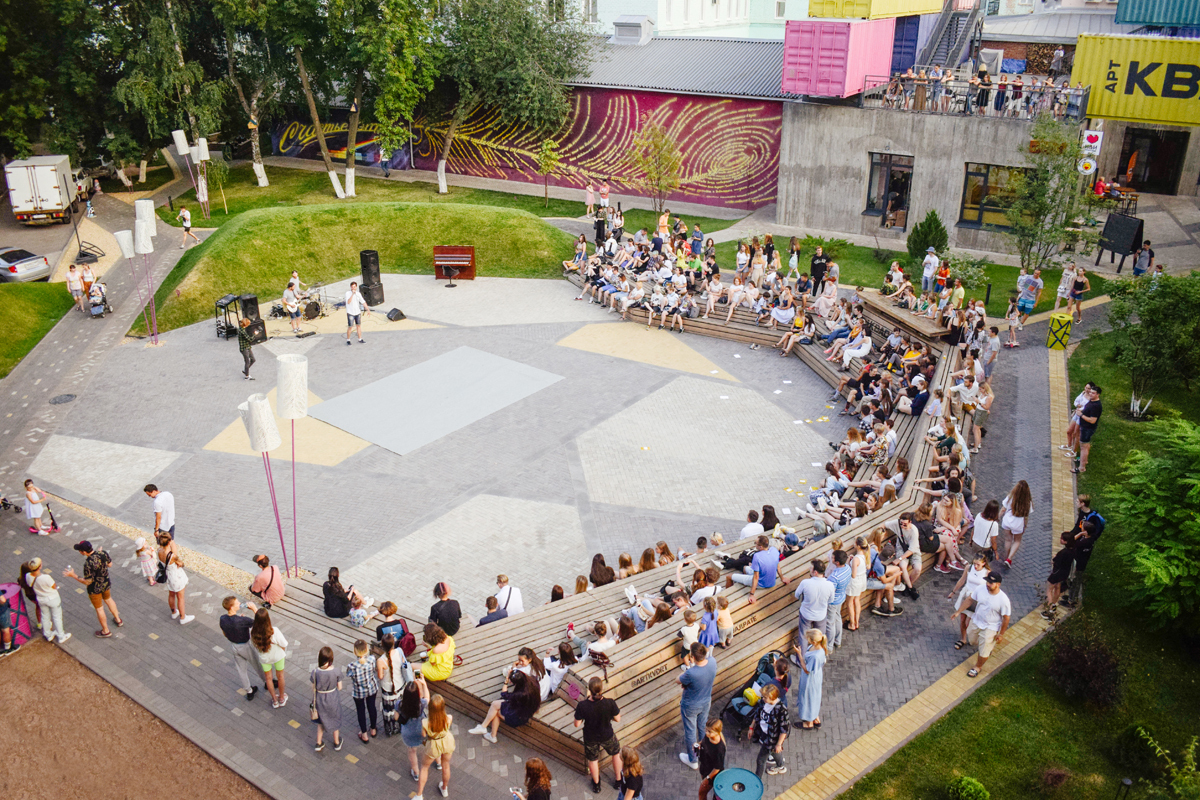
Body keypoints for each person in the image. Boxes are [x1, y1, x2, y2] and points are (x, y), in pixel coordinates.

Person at [951, 570, 1011, 678]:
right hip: (976, 621)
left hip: (991, 627)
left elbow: (1006, 618)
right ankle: (987, 648)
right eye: (987, 582)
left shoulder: (1003, 600)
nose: (988, 584)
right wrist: (958, 611)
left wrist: (1001, 634)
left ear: (998, 584)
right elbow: (969, 600)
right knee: (973, 641)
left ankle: (978, 666)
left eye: (991, 583)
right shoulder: (980, 589)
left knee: (984, 650)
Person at [63, 540, 122, 638]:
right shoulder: (102, 553)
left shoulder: (88, 563)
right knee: (109, 599)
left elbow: (87, 581)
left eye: (80, 550)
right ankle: (118, 620)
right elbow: (110, 564)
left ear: (84, 552)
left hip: (95, 589)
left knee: (99, 609)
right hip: (106, 583)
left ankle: (106, 631)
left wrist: (73, 575)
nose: (79, 552)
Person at [574, 676, 623, 794]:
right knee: (616, 754)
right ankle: (618, 781)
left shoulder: (582, 705)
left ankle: (596, 785)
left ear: (589, 690)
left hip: (590, 737)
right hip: (607, 734)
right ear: (602, 689)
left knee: (593, 760)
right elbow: (618, 719)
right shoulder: (609, 703)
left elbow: (577, 724)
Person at [469, 668, 541, 743]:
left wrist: (506, 682)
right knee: (495, 706)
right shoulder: (533, 681)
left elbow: (504, 694)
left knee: (495, 709)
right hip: (525, 709)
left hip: (519, 717)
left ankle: (487, 731)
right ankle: (487, 731)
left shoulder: (520, 694)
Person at [678, 642, 717, 771]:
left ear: (692, 657)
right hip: (706, 701)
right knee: (703, 727)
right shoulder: (712, 662)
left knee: (690, 732)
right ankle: (704, 752)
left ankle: (693, 759)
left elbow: (679, 679)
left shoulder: (691, 673)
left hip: (690, 705)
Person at [413, 693, 456, 800]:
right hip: (447, 741)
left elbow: (423, 735)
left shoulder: (425, 722)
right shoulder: (449, 718)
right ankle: (444, 788)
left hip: (433, 745)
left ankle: (419, 795)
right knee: (446, 765)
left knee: (424, 768)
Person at [220, 596, 261, 701]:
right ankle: (268, 682)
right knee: (257, 664)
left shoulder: (223, 618)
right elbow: (260, 622)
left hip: (234, 646)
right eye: (237, 602)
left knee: (241, 670)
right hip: (245, 646)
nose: (239, 603)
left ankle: (249, 691)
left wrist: (239, 619)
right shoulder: (243, 620)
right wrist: (254, 609)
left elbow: (225, 632)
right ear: (232, 607)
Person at [25, 558, 69, 643]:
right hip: (52, 599)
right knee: (57, 617)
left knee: (45, 616)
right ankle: (61, 636)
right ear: (40, 566)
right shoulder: (46, 577)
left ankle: (48, 634)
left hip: (41, 599)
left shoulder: (27, 576)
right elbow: (53, 586)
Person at [250, 607, 288, 707]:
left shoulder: (253, 633)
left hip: (264, 658)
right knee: (280, 677)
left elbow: (255, 646)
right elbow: (284, 644)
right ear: (268, 619)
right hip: (278, 656)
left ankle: (274, 700)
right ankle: (282, 698)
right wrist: (281, 653)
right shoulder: (274, 631)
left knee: (268, 679)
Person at [749, 682, 789, 777]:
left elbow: (784, 729)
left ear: (772, 697)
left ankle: (757, 780)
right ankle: (780, 765)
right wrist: (751, 727)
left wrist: (779, 744)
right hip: (763, 733)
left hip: (772, 738)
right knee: (773, 751)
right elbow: (758, 713)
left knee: (760, 760)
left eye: (765, 697)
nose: (763, 699)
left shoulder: (781, 710)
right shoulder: (764, 703)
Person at [346, 639, 379, 741]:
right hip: (372, 688)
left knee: (361, 711)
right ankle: (373, 729)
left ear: (355, 651)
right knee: (372, 707)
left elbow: (349, 675)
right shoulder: (372, 659)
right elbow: (374, 669)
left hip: (358, 692)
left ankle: (364, 734)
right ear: (367, 649)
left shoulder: (352, 666)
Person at [311, 646, 343, 750]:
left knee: (321, 722)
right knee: (334, 719)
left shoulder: (315, 672)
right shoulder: (336, 671)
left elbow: (313, 688)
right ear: (331, 659)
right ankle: (337, 742)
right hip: (332, 699)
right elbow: (340, 687)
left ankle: (318, 743)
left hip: (320, 699)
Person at [399, 675, 430, 780]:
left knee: (412, 751)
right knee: (428, 743)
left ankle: (416, 772)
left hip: (408, 732)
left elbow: (395, 717)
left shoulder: (399, 704)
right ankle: (438, 761)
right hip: (421, 730)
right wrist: (424, 684)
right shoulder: (421, 704)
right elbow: (428, 698)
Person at [157, 532, 193, 624]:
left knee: (171, 594)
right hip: (176, 577)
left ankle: (174, 612)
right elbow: (181, 563)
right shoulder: (172, 555)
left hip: (169, 576)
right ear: (169, 542)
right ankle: (183, 617)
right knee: (180, 597)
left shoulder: (159, 551)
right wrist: (174, 546)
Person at [794, 559, 835, 630]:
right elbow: (831, 600)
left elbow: (797, 595)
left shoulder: (805, 583)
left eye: (810, 568)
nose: (809, 570)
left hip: (806, 614)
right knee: (819, 636)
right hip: (821, 615)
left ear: (815, 572)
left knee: (804, 635)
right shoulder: (830, 585)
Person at [1074, 385, 1102, 475]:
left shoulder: (1096, 406)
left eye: (1093, 393)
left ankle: (1081, 467)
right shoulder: (1092, 401)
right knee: (1086, 445)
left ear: (1098, 394)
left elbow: (1093, 420)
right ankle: (1084, 461)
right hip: (1086, 427)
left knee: (1083, 446)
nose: (1090, 394)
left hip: (1087, 429)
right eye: (1090, 392)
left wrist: (1080, 415)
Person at [825, 550, 851, 648]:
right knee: (838, 618)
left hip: (833, 601)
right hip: (841, 597)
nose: (830, 559)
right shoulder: (847, 568)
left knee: (830, 623)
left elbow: (830, 591)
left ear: (837, 562)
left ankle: (829, 646)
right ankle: (838, 640)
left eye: (832, 558)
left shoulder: (834, 577)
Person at [697, 718, 726, 800]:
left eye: (709, 731)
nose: (706, 733)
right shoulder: (709, 737)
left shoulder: (719, 749)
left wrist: (707, 779)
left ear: (717, 732)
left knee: (701, 793)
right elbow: (703, 742)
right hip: (704, 767)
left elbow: (717, 768)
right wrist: (698, 745)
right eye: (706, 730)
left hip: (712, 775)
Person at [345, 280, 370, 345]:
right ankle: (348, 339)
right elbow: (348, 301)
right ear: (350, 287)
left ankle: (360, 339)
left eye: (354, 287)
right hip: (350, 312)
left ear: (356, 287)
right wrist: (352, 294)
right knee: (350, 326)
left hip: (357, 312)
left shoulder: (358, 294)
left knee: (358, 326)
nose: (353, 288)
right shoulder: (347, 293)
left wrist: (367, 309)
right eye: (352, 287)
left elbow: (363, 302)